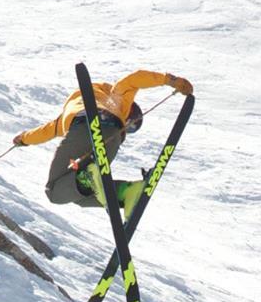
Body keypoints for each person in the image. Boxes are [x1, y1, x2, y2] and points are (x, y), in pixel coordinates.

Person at [14, 69, 193, 213]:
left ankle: (116, 188)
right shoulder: (113, 96)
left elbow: (47, 131)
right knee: (78, 196)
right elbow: (135, 79)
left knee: (57, 191)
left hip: (85, 127)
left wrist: (23, 139)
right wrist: (170, 80)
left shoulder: (70, 110)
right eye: (130, 121)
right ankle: (122, 191)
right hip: (110, 136)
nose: (128, 123)